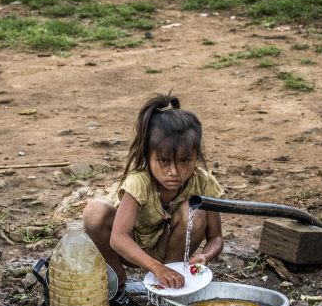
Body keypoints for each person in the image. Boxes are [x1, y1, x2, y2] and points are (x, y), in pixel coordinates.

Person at [84, 93, 224, 290]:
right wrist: (156, 267)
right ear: (148, 156)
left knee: (196, 210)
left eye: (185, 161)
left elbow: (216, 238)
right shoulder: (139, 182)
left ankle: (170, 284)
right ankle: (116, 280)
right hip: (133, 253)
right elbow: (118, 238)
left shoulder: (203, 182)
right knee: (94, 212)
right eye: (164, 161)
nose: (174, 172)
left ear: (196, 156)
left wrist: (206, 255)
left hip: (172, 254)